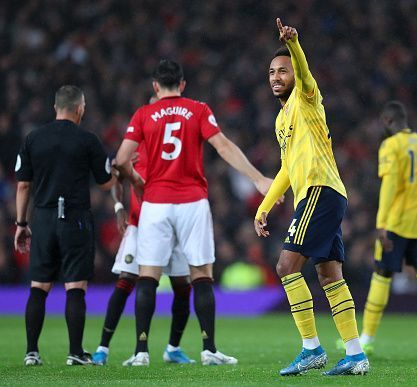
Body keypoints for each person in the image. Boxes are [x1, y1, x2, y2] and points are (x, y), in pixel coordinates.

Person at [114, 59, 272, 366]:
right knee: (201, 274)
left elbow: (121, 160)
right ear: (182, 85)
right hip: (192, 202)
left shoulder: (144, 114)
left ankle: (141, 352)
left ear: (155, 87)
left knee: (148, 275)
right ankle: (209, 349)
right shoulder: (199, 109)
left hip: (155, 203)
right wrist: (258, 179)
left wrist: (136, 181)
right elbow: (223, 147)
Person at [253, 18, 369, 376]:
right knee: (329, 273)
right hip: (322, 194)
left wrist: (295, 46)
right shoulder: (281, 120)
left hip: (320, 190)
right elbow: (287, 169)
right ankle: (355, 355)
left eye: (282, 71)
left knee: (286, 267)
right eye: (272, 72)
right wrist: (264, 205)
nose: (276, 76)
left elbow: (303, 73)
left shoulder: (307, 99)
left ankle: (311, 350)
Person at [15, 85, 115, 366]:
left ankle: (31, 352)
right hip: (76, 218)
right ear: (80, 108)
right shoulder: (88, 140)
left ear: (55, 107)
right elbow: (106, 182)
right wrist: (118, 168)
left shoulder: (33, 138)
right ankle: (75, 352)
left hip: (44, 217)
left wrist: (22, 223)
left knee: (39, 286)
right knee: (75, 287)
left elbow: (23, 185)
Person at [92, 97, 195, 365]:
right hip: (140, 225)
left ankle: (172, 347)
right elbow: (116, 176)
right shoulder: (135, 148)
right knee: (126, 282)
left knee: (183, 286)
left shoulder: (178, 147)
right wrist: (117, 206)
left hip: (173, 226)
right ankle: (103, 348)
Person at [356, 101, 417, 357]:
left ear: (387, 121)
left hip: (396, 222)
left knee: (382, 276)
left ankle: (367, 339)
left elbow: (389, 186)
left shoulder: (391, 145)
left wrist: (381, 224)